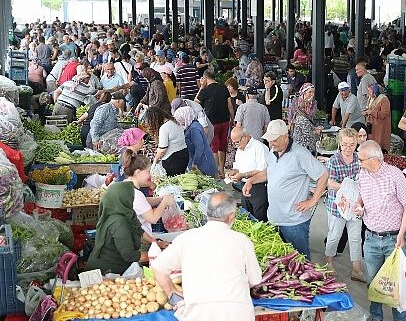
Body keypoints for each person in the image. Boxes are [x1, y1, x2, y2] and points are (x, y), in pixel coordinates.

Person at [150, 193, 262, 321]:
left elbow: (158, 267)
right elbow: (255, 280)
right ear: (231, 217)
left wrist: (173, 293)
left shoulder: (186, 238)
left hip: (198, 314)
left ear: (207, 213)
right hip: (236, 313)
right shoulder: (242, 240)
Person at [243, 120, 329, 258]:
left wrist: (313, 200)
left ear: (285, 136)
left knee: (301, 261)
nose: (271, 144)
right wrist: (251, 181)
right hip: (274, 218)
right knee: (281, 261)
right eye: (269, 140)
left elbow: (323, 174)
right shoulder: (273, 151)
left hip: (294, 222)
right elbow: (269, 172)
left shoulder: (300, 154)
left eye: (274, 140)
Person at [355, 140, 406, 321]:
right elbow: (360, 199)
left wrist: (402, 234)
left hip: (393, 240)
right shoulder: (362, 175)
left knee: (397, 286)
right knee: (373, 284)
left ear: (374, 159)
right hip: (371, 238)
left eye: (361, 159)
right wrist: (358, 206)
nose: (359, 163)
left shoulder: (395, 175)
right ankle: (376, 317)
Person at [324, 128, 366, 282]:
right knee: (334, 236)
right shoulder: (333, 160)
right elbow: (330, 183)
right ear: (340, 143)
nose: (348, 148)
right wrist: (346, 186)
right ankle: (328, 262)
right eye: (345, 144)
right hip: (337, 206)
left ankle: (357, 268)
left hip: (355, 205)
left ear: (356, 144)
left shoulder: (359, 159)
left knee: (356, 238)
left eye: (352, 145)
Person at [85, 176, 149, 274]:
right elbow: (129, 255)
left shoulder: (124, 212)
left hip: (110, 269)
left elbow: (138, 231)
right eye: (131, 196)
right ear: (124, 198)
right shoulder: (119, 223)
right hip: (104, 272)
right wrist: (156, 255)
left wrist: (156, 243)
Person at [227, 127, 270, 222]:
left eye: (237, 142)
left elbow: (262, 171)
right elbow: (237, 167)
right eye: (233, 142)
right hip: (244, 186)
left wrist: (243, 175)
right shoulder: (240, 149)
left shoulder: (259, 148)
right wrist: (232, 173)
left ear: (245, 137)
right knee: (246, 215)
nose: (235, 145)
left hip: (259, 187)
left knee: (259, 217)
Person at [196, 68, 234, 175]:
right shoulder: (224, 88)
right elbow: (230, 106)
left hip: (212, 122)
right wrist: (233, 119)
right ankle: (221, 170)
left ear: (205, 78)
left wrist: (202, 87)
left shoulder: (206, 90)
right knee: (223, 146)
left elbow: (195, 102)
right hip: (225, 120)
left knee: (214, 147)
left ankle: (215, 172)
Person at [174, 106, 218, 176]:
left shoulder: (194, 129)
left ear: (185, 117)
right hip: (199, 159)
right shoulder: (192, 125)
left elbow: (199, 147)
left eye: (180, 119)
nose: (179, 122)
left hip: (203, 162)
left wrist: (195, 162)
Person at [146, 106, 189, 177]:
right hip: (184, 154)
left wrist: (155, 160)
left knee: (172, 181)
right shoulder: (174, 121)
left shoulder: (164, 128)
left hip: (173, 160)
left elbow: (162, 150)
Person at [290, 83, 321, 151]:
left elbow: (311, 115)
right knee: (299, 148)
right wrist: (290, 125)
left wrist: (308, 104)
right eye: (310, 92)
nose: (312, 94)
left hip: (308, 126)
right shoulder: (296, 101)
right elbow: (291, 115)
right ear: (304, 92)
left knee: (309, 148)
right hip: (298, 128)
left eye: (313, 92)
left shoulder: (314, 102)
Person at [364, 83, 391, 152]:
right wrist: (366, 112)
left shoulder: (384, 99)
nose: (369, 92)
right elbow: (369, 108)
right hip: (371, 125)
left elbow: (384, 114)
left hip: (380, 127)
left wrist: (371, 112)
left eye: (370, 91)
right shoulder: (371, 98)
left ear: (375, 91)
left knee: (379, 143)